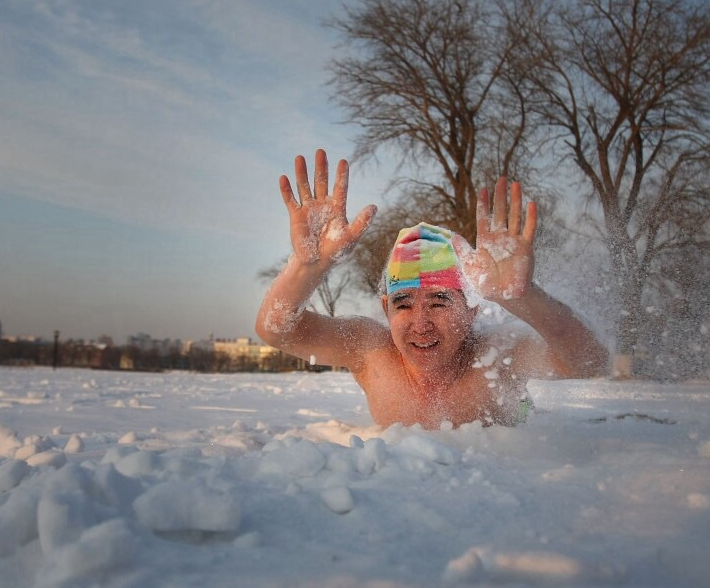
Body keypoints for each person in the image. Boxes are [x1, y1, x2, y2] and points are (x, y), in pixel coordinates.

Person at [256, 149, 607, 429]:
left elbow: (590, 361)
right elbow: (277, 331)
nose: (420, 323)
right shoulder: (370, 350)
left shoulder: (495, 356)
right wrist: (306, 269)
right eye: (403, 304)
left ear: (471, 310)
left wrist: (526, 299)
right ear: (385, 309)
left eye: (439, 301)